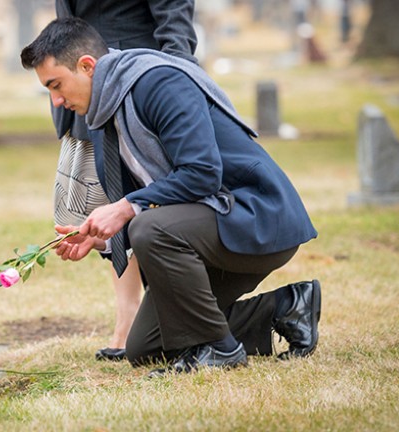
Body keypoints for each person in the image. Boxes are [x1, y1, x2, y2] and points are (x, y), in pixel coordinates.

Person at [21, 18, 321, 376]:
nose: (56, 101)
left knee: (150, 227)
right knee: (145, 347)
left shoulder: (158, 82)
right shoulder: (102, 115)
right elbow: (145, 201)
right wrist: (100, 239)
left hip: (255, 216)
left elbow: (202, 173)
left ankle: (220, 349)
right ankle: (285, 308)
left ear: (86, 66)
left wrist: (123, 209)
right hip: (208, 227)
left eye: (56, 85)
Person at [50, 0, 198, 362]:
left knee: (142, 199)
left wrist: (178, 79)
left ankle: (162, 316)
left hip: (136, 78)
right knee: (99, 198)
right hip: (79, 76)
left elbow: (173, 15)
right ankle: (129, 312)